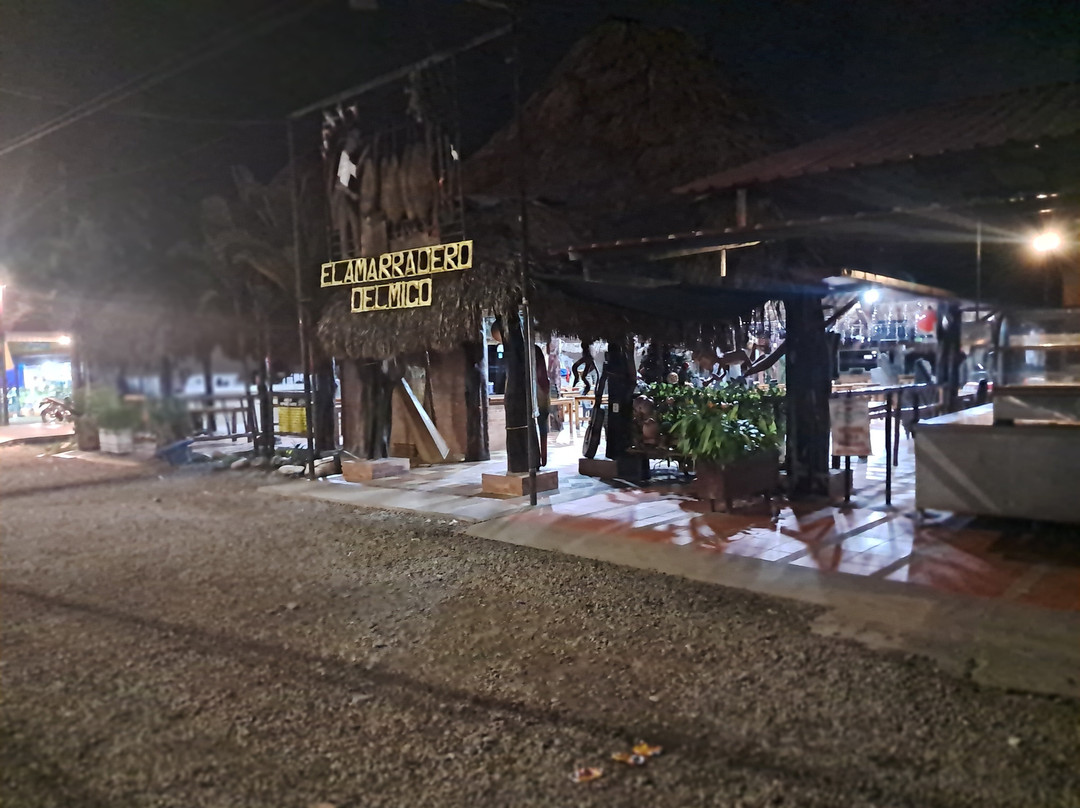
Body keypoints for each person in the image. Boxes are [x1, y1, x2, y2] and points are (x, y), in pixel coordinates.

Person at [534, 344, 551, 467]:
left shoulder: (533, 351)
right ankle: (542, 457)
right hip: (542, 394)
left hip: (540, 396)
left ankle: (542, 458)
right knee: (542, 428)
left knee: (541, 427)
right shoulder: (536, 351)